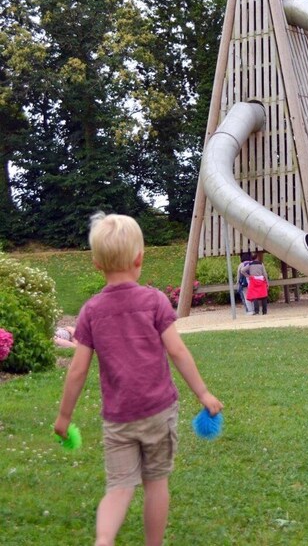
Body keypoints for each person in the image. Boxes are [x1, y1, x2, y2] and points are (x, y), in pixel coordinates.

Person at [54, 212, 223, 546]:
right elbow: (177, 351)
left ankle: (104, 539)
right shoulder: (154, 301)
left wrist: (63, 416)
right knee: (155, 484)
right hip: (158, 411)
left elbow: (77, 370)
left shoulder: (90, 311)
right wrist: (203, 393)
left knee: (119, 487)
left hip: (119, 418)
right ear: (140, 258)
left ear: (96, 264)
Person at [243, 251, 269, 315]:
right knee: (264, 296)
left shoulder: (250, 264)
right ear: (257, 257)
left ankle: (256, 311)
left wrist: (248, 276)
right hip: (261, 280)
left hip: (253, 280)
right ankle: (264, 311)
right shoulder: (261, 264)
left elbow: (242, 270)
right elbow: (265, 273)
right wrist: (267, 282)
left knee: (255, 296)